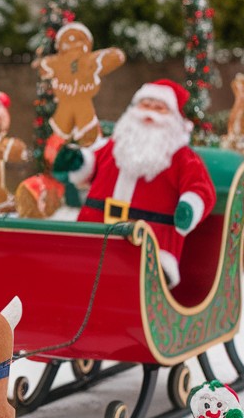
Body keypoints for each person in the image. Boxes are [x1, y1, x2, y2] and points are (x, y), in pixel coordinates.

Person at [54, 78, 215, 287]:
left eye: (159, 108)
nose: (149, 113)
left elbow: (200, 189)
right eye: (145, 105)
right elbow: (92, 167)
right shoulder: (115, 145)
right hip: (93, 235)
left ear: (174, 118)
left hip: (151, 246)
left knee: (137, 277)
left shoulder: (181, 157)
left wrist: (189, 208)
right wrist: (78, 162)